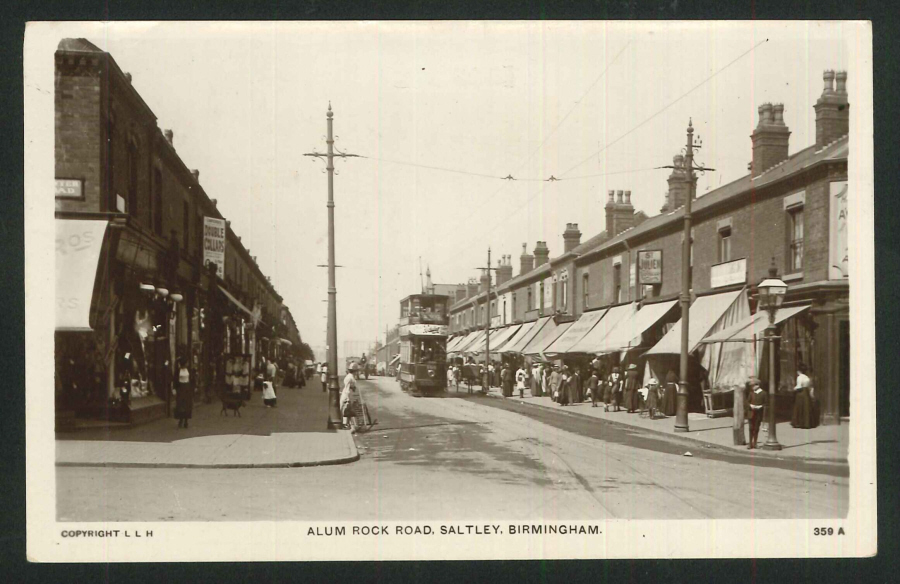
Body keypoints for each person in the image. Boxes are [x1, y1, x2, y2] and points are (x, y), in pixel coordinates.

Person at [791, 363, 819, 429]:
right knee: (806, 407)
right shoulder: (807, 377)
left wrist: (794, 389)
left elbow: (799, 386)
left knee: (800, 408)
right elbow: (809, 387)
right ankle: (807, 423)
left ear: (799, 371)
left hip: (801, 393)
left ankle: (799, 423)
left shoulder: (799, 377)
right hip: (806, 393)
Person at [747, 377, 767, 449]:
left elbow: (765, 403)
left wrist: (760, 406)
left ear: (758, 385)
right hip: (751, 413)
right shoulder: (751, 393)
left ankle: (755, 443)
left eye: (753, 386)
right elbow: (747, 402)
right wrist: (750, 405)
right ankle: (750, 443)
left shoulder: (763, 393)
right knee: (750, 428)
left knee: (756, 428)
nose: (752, 387)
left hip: (758, 413)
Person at [173, 358, 193, 429]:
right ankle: (181, 419)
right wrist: (174, 388)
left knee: (187, 404)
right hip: (181, 388)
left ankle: (186, 421)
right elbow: (175, 380)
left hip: (187, 387)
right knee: (181, 404)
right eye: (186, 363)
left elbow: (191, 378)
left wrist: (193, 387)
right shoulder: (178, 371)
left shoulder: (189, 370)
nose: (187, 364)